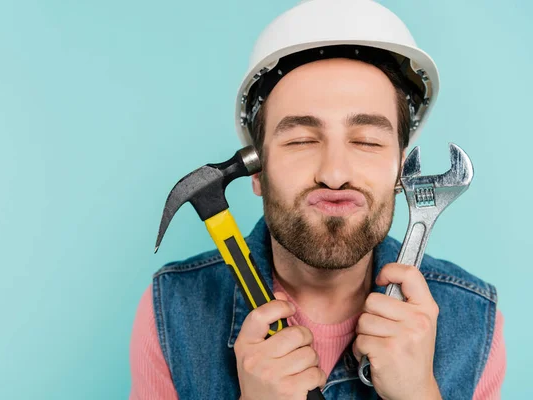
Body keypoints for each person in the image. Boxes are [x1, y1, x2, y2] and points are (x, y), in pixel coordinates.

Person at [130, 0, 506, 398]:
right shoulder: (171, 312)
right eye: (302, 140)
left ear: (401, 170)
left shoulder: (475, 321)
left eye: (366, 141)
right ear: (257, 171)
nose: (334, 173)